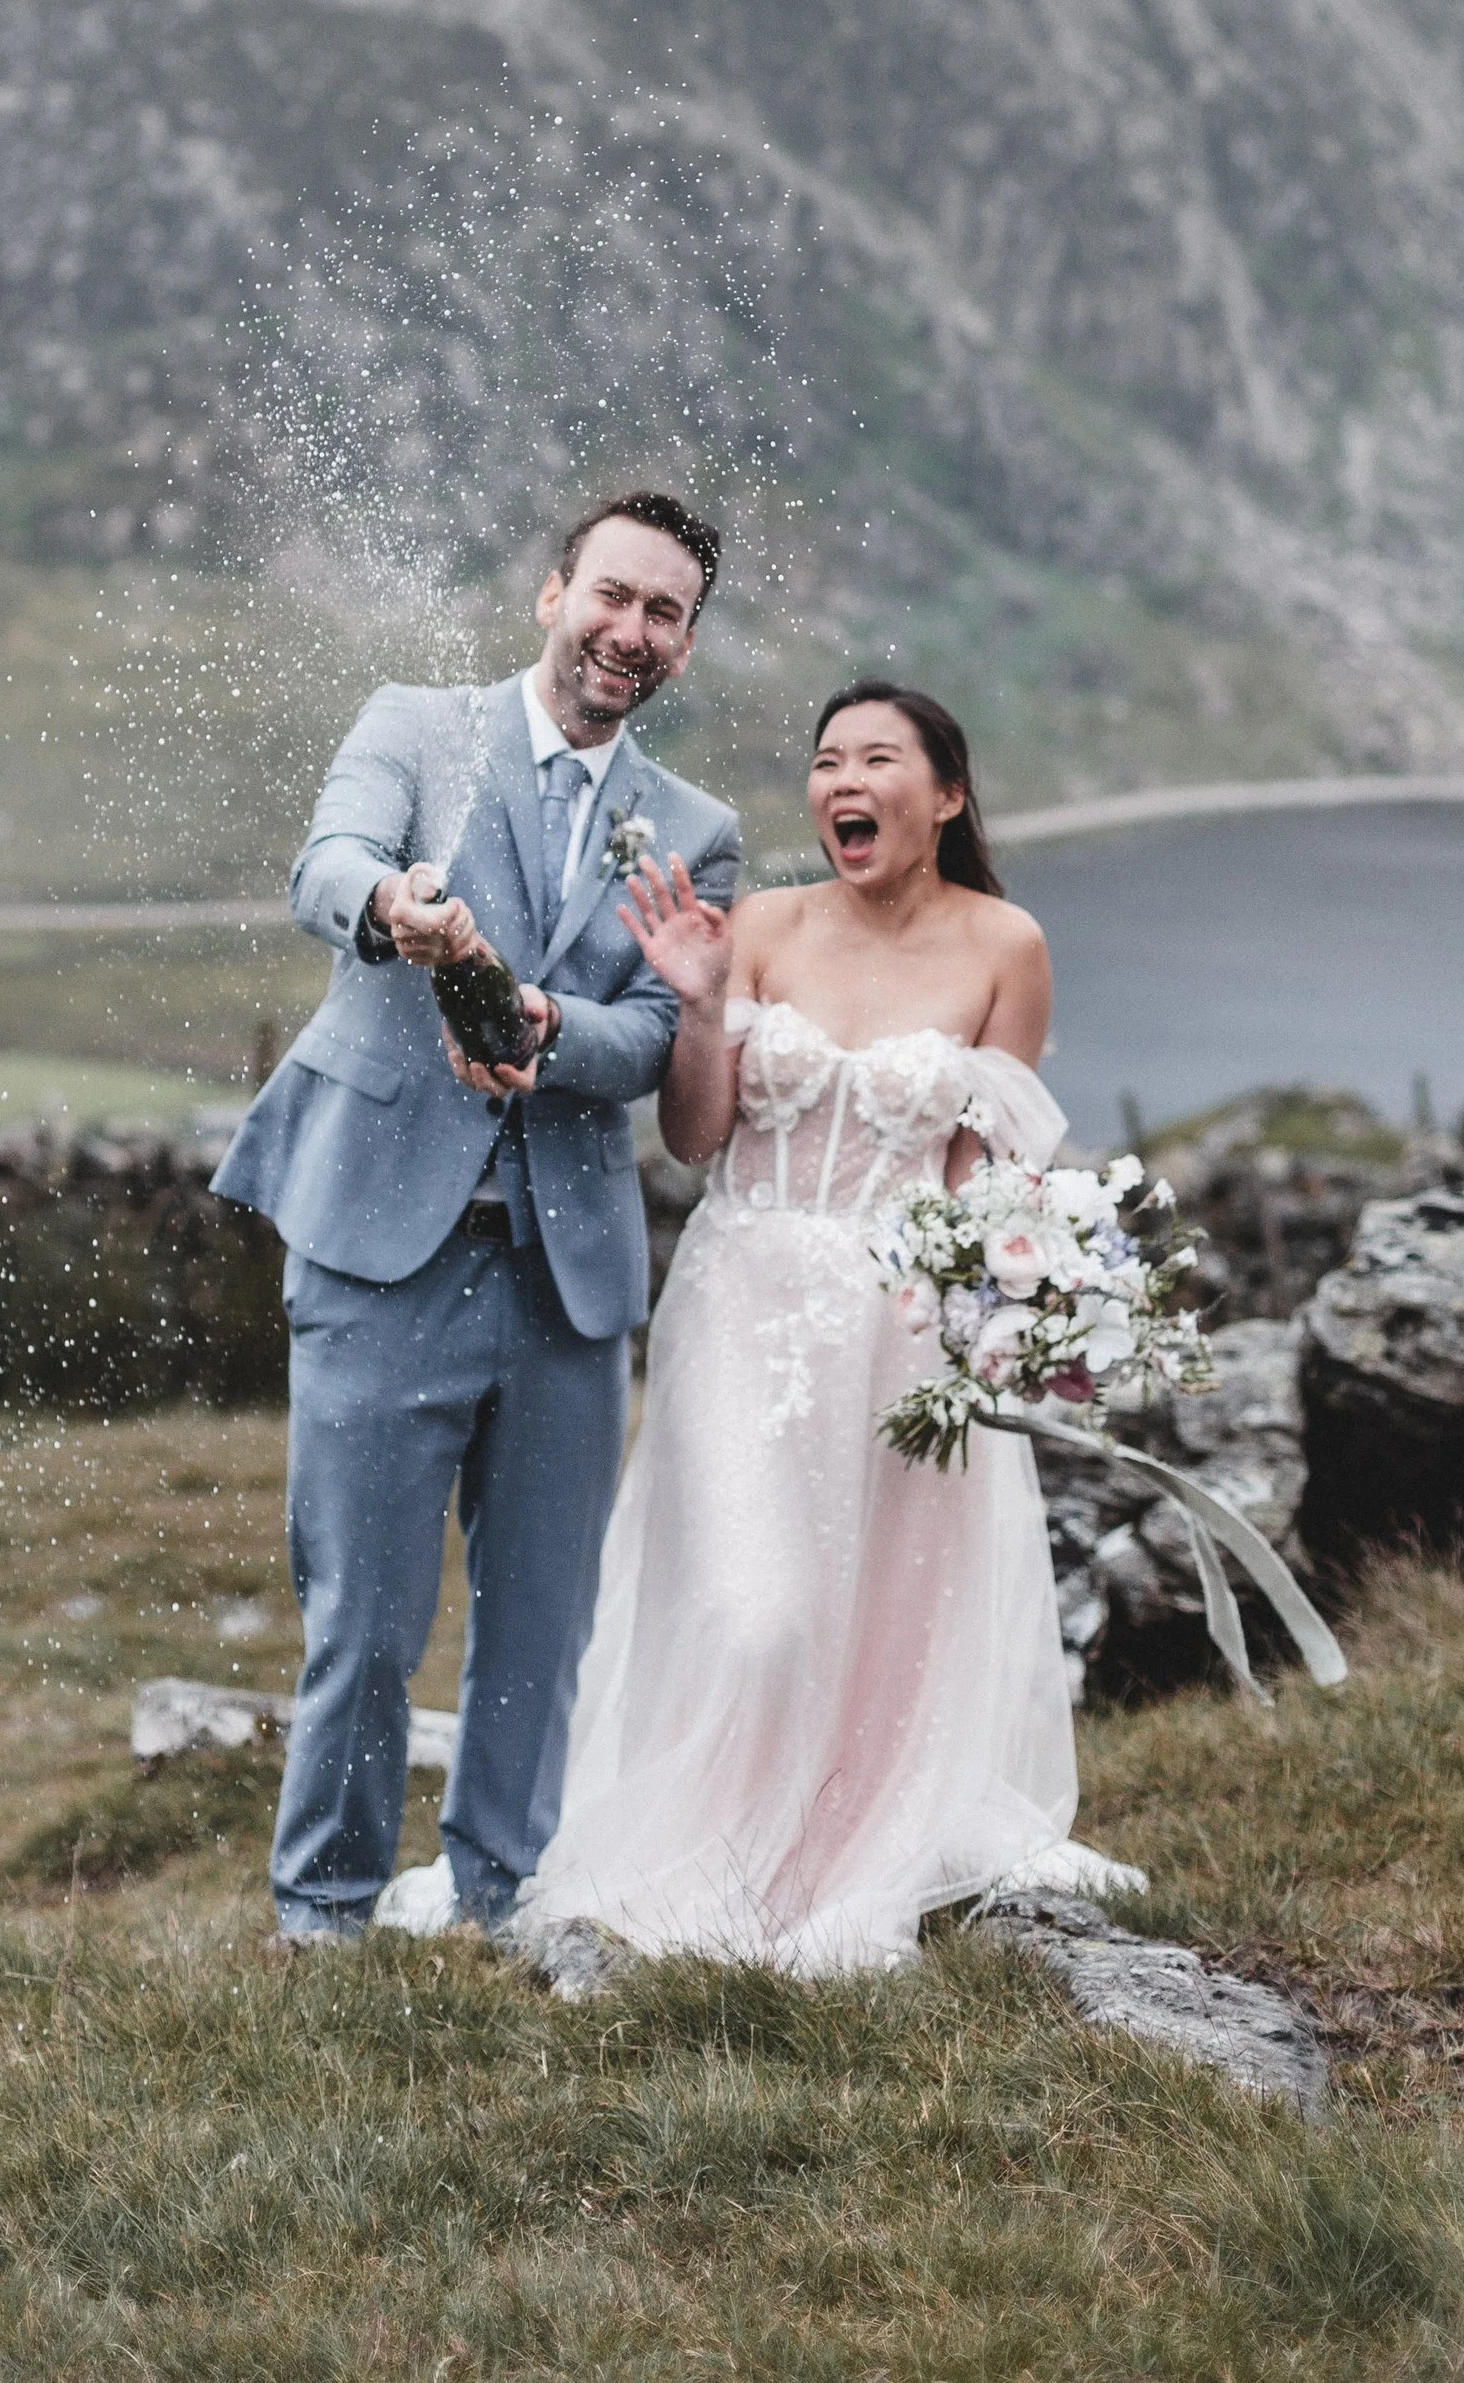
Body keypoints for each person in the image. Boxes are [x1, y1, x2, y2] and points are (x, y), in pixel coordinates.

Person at [515, 679, 1131, 1975]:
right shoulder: (758, 925)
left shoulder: (1005, 945)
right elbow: (692, 1141)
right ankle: (713, 1855)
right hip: (740, 1300)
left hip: (902, 1324)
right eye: (826, 759)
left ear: (945, 794)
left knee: (882, 1616)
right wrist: (692, 999)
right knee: (758, 1610)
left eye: (877, 758)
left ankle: (845, 1841)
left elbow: (988, 1182)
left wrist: (1028, 1312)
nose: (843, 778)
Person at [216, 491, 743, 1944]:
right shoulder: (415, 723)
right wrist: (402, 904)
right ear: (553, 591)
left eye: (665, 614)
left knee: (540, 1626)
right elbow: (323, 865)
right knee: (366, 1616)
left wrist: (548, 1021)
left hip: (569, 1282)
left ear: (687, 648)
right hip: (380, 1242)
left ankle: (502, 1898)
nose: (629, 631)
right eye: (613, 595)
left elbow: (651, 1041)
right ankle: (321, 1913)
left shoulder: (696, 828)